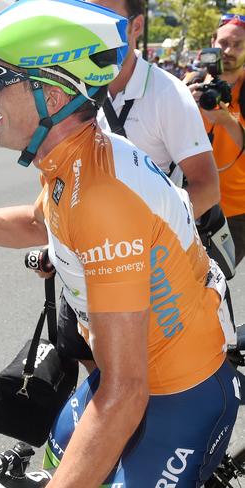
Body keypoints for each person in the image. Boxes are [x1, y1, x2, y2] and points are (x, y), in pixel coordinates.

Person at [0, 0, 238, 485]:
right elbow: (40, 225)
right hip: (128, 372)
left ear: (52, 99)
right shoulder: (75, 158)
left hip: (177, 390)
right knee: (56, 463)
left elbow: (125, 394)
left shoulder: (99, 195)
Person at [53, 0, 228, 372]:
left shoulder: (168, 94)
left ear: (135, 27)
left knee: (143, 377)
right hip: (85, 267)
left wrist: (150, 242)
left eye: (109, 22)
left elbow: (207, 186)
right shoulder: (73, 86)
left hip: (148, 267)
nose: (96, 33)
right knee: (94, 361)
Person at [188, 13, 245, 267]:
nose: (229, 50)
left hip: (235, 212)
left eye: (239, 44)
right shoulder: (190, 85)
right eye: (223, 43)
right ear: (212, 42)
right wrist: (183, 103)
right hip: (190, 203)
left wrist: (225, 120)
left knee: (212, 286)